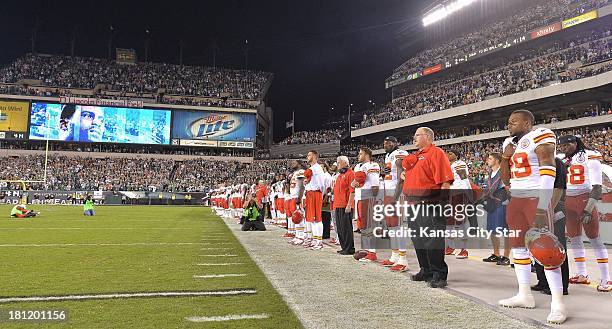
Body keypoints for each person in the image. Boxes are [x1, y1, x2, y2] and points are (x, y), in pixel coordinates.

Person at [499, 109, 566, 324]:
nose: (509, 124)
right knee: (518, 247)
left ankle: (557, 304)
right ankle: (524, 294)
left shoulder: (541, 135)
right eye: (508, 121)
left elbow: (549, 168)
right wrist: (505, 157)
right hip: (516, 199)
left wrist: (542, 205)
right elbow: (505, 179)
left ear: (527, 122)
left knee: (547, 248)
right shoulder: (508, 144)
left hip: (535, 198)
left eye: (514, 121)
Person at [395, 127, 454, 289]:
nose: (414, 138)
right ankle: (426, 269)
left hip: (430, 203)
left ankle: (439, 273)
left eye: (417, 135)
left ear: (427, 137)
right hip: (413, 204)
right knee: (419, 240)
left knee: (432, 240)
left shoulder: (436, 153)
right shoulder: (416, 156)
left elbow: (445, 180)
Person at [558, 135, 610, 292]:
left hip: (584, 199)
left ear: (574, 143)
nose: (563, 149)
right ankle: (582, 274)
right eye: (561, 146)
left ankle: (606, 278)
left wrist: (588, 208)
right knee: (574, 238)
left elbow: (597, 187)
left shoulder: (589, 156)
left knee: (595, 239)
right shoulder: (562, 159)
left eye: (566, 146)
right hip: (568, 200)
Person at [531, 157, 570, 295]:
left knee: (557, 245)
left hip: (554, 206)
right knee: (538, 243)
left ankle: (562, 285)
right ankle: (543, 281)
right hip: (539, 207)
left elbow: (558, 188)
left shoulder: (556, 163)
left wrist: (550, 209)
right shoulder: (535, 162)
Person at [379, 136, 409, 272]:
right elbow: (391, 175)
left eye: (389, 142)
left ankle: (403, 259)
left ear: (396, 143)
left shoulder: (400, 153)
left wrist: (396, 197)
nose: (386, 144)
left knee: (399, 225)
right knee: (391, 225)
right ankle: (395, 255)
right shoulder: (388, 156)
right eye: (384, 142)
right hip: (389, 193)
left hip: (398, 194)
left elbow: (402, 176)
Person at [480, 153, 511, 266]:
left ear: (497, 160)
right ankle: (496, 254)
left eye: (490, 158)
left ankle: (506, 256)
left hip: (502, 203)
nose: (487, 159)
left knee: (505, 230)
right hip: (492, 204)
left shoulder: (503, 172)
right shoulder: (490, 173)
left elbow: (507, 188)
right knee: (492, 230)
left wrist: (509, 200)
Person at [352, 147, 380, 262]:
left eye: (361, 153)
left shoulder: (372, 165)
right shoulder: (358, 167)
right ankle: (367, 250)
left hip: (368, 199)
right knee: (363, 226)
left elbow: (375, 185)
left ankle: (372, 253)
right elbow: (354, 183)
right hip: (359, 199)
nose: (359, 155)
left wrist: (373, 200)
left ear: (367, 154)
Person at [445, 149, 471, 259]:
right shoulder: (445, 165)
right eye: (447, 153)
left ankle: (464, 249)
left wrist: (468, 194)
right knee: (448, 221)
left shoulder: (460, 164)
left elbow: (464, 179)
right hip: (448, 194)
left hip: (458, 192)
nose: (448, 154)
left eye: (450, 153)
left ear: (457, 156)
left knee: (460, 220)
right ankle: (451, 247)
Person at [303, 150, 326, 250]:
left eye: (309, 155)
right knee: (311, 219)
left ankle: (319, 241)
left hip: (315, 193)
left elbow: (322, 184)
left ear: (315, 156)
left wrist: (320, 194)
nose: (307, 157)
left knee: (317, 219)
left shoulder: (317, 168)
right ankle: (314, 239)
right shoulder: (312, 168)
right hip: (310, 193)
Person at [334, 156, 356, 255]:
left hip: (345, 205)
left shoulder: (350, 174)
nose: (337, 164)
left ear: (345, 163)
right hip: (338, 205)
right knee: (340, 228)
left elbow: (352, 191)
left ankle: (349, 248)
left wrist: (349, 205)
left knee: (346, 228)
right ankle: (344, 247)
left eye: (339, 162)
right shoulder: (339, 176)